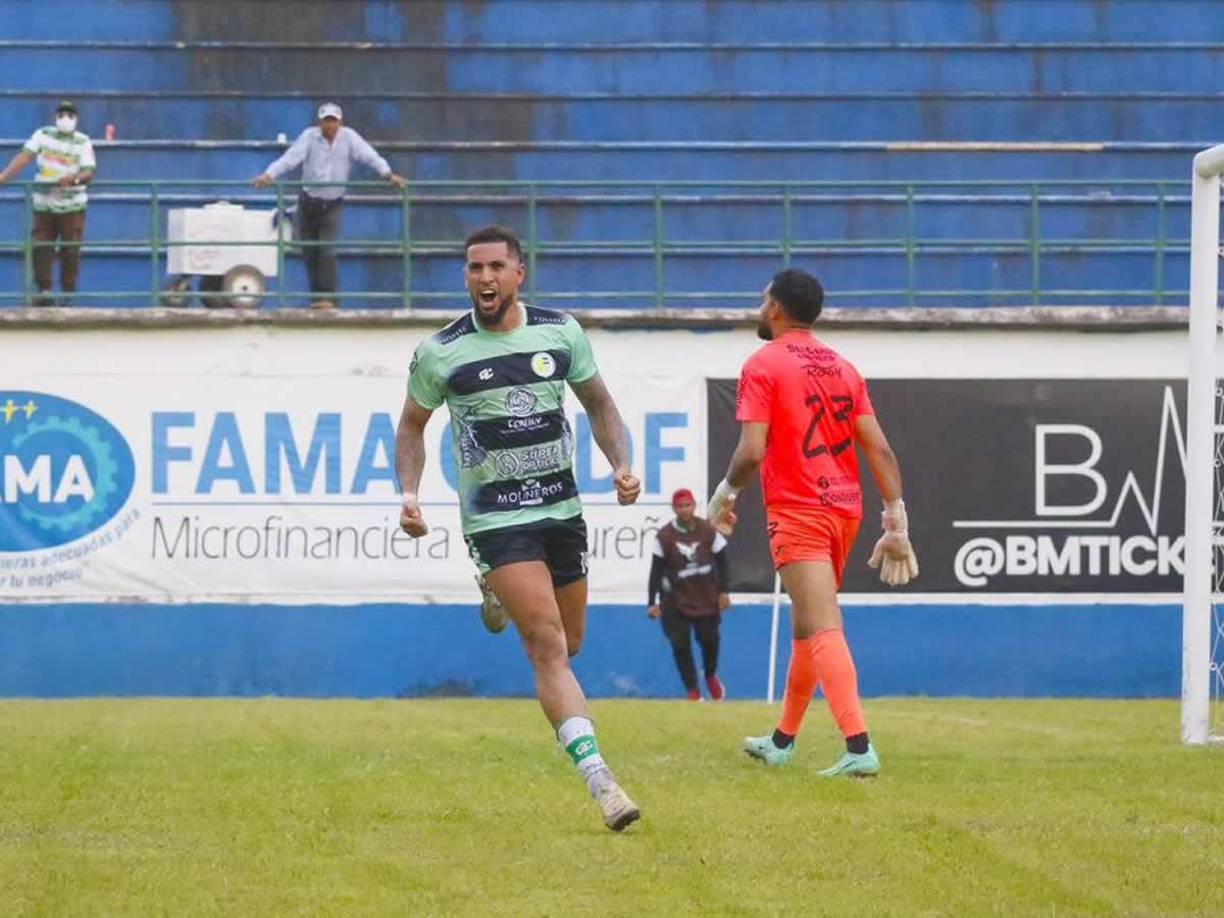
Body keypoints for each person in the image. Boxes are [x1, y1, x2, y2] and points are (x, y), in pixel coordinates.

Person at [395, 224, 644, 832]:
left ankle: (492, 590)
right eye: (474, 268)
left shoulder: (561, 333)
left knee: (570, 642)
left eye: (495, 267)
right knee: (548, 647)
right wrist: (409, 493)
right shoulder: (441, 353)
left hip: (561, 509)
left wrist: (622, 464)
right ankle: (601, 782)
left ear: (518, 273)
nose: (484, 278)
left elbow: (600, 404)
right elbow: (411, 427)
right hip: (497, 519)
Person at [707, 267, 918, 777]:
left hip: (798, 508)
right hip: (844, 508)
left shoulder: (763, 364)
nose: (760, 308)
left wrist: (725, 493)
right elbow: (881, 449)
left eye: (763, 300)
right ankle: (782, 740)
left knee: (822, 624)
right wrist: (896, 520)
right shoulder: (844, 367)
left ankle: (859, 746)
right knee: (806, 626)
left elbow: (752, 450)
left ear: (776, 307)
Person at [252, 102, 406, 309]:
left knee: (327, 251)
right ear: (320, 123)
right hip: (308, 203)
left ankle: (329, 299)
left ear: (340, 122)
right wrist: (269, 174)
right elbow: (290, 159)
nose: (330, 126)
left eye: (334, 121)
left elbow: (370, 156)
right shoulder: (309, 137)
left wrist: (388, 174)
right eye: (326, 121)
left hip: (332, 204)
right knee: (310, 253)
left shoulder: (349, 138)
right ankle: (318, 299)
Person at [0, 100, 96, 306]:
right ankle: (44, 291)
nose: (65, 119)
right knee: (41, 247)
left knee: (70, 251)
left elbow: (89, 171)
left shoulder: (83, 141)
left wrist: (73, 180)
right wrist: (3, 177)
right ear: (55, 117)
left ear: (76, 119)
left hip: (72, 206)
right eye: (62, 114)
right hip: (44, 203)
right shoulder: (42, 135)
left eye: (70, 115)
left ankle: (68, 293)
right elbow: (24, 157)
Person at [647, 487, 731, 700]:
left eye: (688, 505)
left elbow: (723, 561)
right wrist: (652, 602)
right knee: (680, 644)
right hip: (675, 601)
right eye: (680, 506)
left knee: (711, 641)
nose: (685, 510)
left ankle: (711, 676)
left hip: (706, 596)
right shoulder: (664, 536)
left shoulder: (707, 530)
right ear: (674, 509)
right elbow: (655, 571)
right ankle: (692, 690)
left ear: (694, 506)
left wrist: (724, 591)